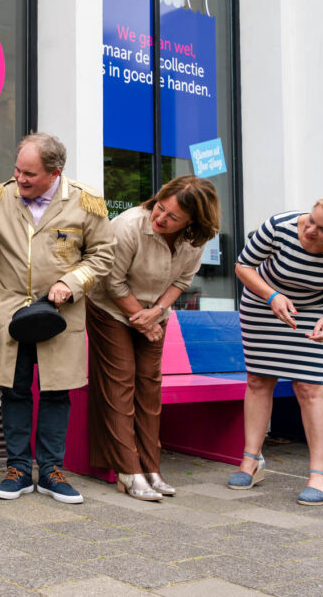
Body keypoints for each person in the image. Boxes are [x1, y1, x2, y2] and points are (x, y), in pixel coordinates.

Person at [0, 133, 115, 504]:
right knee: (13, 390)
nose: (20, 179)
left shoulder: (86, 202)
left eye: (29, 174)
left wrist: (71, 282)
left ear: (55, 173)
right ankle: (17, 469)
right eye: (17, 170)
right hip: (7, 312)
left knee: (55, 392)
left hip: (59, 316)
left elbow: (103, 256)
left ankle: (51, 472)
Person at [85, 176, 220, 501]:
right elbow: (112, 283)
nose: (161, 218)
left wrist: (157, 311)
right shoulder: (130, 225)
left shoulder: (195, 240)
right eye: (160, 208)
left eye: (173, 217)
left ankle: (151, 468)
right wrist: (143, 321)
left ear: (193, 222)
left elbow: (183, 280)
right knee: (121, 383)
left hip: (153, 311)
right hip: (111, 309)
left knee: (149, 387)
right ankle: (128, 471)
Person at [227, 191, 323, 505]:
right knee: (259, 380)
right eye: (311, 220)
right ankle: (251, 460)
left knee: (309, 386)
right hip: (263, 303)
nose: (310, 230)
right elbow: (243, 267)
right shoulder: (279, 225)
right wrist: (272, 296)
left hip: (314, 312)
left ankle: (320, 474)